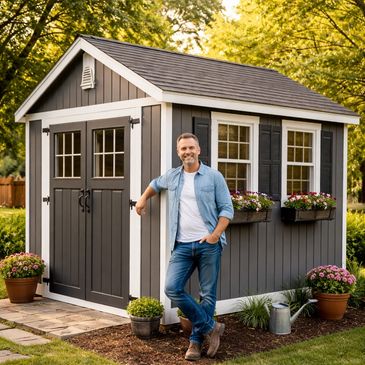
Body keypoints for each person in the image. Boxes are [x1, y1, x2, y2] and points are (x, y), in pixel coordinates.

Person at [135, 132, 233, 361]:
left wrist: (214, 235)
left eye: (191, 148)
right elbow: (154, 184)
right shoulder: (173, 176)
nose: (187, 152)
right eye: (183, 149)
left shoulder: (213, 176)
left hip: (209, 245)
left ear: (199, 150)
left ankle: (196, 343)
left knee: (207, 295)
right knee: (171, 287)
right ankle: (211, 327)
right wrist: (142, 199)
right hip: (181, 245)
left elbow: (227, 209)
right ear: (178, 153)